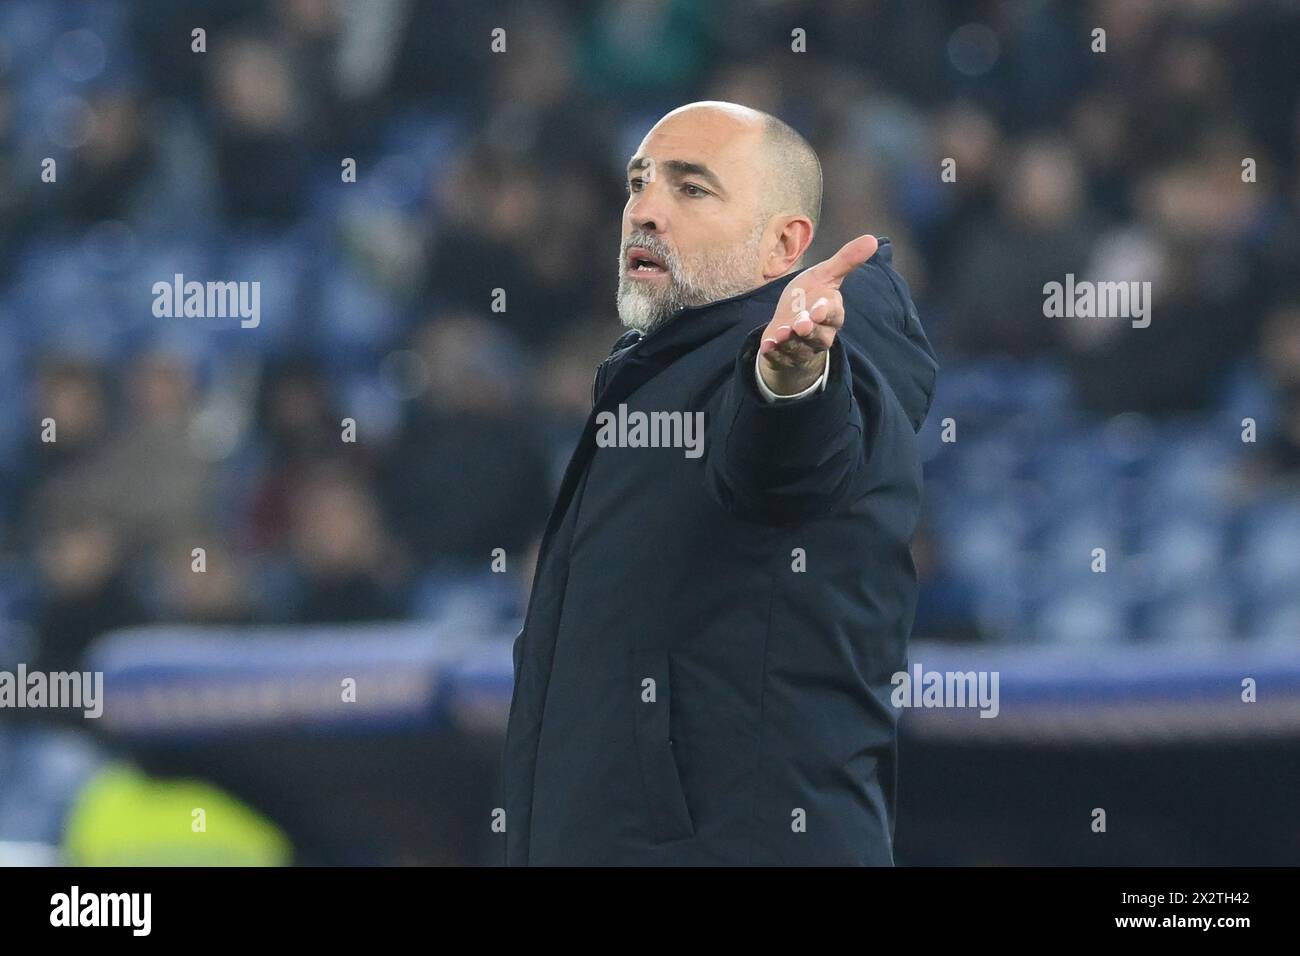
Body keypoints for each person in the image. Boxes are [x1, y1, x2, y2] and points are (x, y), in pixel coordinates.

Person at [500, 101, 937, 865]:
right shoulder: (656, 375)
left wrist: (791, 379)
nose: (646, 212)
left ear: (784, 244)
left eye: (691, 189)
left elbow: (787, 462)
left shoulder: (822, 350)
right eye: (639, 183)